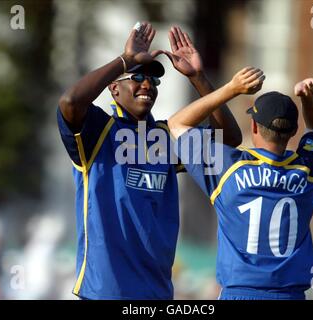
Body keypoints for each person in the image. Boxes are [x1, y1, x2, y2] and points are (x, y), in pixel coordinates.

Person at [57, 22, 241, 300]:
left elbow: (228, 138)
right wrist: (125, 61)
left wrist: (199, 78)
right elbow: (70, 101)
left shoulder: (166, 137)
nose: (147, 85)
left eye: (153, 80)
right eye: (137, 77)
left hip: (156, 292)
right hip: (105, 291)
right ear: (114, 89)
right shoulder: (98, 131)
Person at [168, 68, 313, 300]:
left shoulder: (229, 167)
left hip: (240, 293)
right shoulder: (308, 172)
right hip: (291, 295)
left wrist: (231, 89)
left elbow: (177, 124)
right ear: (294, 131)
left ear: (254, 127)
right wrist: (308, 98)